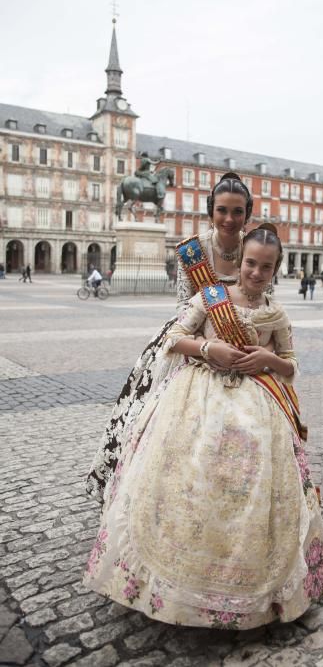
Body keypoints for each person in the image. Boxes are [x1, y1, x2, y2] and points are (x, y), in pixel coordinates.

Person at [83, 224, 323, 628]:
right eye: (250, 263)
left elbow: (291, 365)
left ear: (276, 270)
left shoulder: (277, 313)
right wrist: (207, 347)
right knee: (187, 479)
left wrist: (267, 362)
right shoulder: (210, 297)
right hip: (195, 398)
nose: (255, 272)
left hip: (256, 405)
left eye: (265, 267)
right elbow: (173, 338)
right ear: (239, 261)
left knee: (249, 486)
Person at [86, 172, 255, 503]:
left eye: (238, 211)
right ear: (211, 211)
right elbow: (183, 311)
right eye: (222, 210)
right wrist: (208, 348)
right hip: (191, 346)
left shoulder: (257, 249)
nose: (230, 219)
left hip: (243, 347)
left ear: (247, 213)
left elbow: (264, 306)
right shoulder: (192, 252)